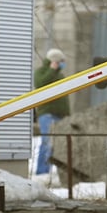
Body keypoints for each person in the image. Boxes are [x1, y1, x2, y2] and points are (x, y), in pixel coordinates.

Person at [33, 47, 71, 177]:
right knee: (46, 142)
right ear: (54, 61)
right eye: (61, 61)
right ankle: (42, 172)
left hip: (60, 116)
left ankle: (48, 171)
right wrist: (51, 70)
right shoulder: (41, 72)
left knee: (56, 145)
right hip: (47, 114)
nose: (63, 64)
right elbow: (41, 84)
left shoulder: (59, 75)